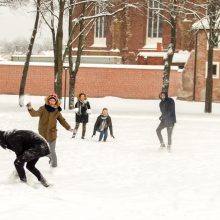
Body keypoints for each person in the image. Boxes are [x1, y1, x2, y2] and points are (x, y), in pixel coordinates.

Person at [27, 93, 73, 167]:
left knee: (52, 150)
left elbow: (62, 120)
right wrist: (30, 108)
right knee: (40, 149)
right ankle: (50, 157)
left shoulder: (57, 111)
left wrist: (69, 128)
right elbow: (34, 114)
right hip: (43, 133)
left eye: (53, 100)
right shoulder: (43, 108)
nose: (52, 102)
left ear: (56, 101)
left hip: (52, 134)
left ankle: (54, 166)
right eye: (50, 100)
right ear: (48, 101)